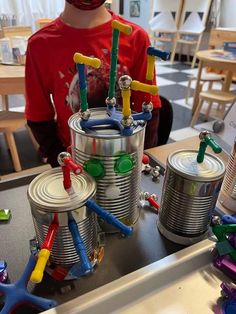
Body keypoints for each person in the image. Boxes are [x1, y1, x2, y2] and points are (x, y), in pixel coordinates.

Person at [25, 0, 161, 167]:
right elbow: (39, 117)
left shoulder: (136, 37)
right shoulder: (40, 44)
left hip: (125, 159)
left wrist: (138, 161)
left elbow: (148, 109)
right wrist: (61, 159)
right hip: (73, 158)